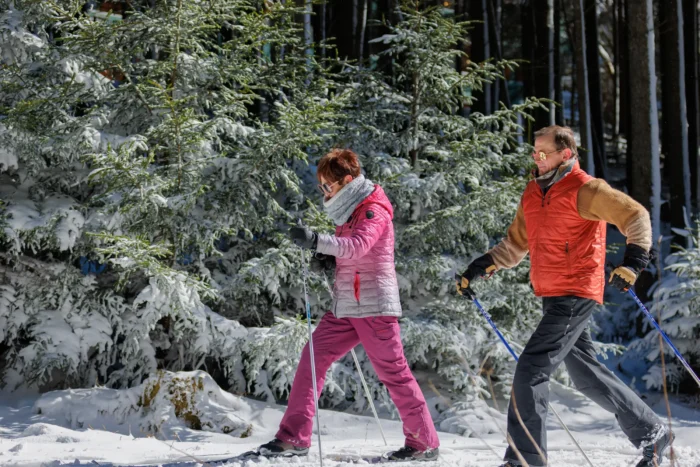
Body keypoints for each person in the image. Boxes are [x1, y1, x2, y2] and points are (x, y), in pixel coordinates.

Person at [456, 126, 673, 467]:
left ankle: (524, 459)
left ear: (566, 154)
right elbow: (515, 244)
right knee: (586, 375)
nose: (536, 158)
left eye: (543, 152)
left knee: (530, 371)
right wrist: (480, 266)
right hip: (552, 293)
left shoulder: (586, 189)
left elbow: (636, 216)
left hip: (575, 293)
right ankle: (652, 433)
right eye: (534, 152)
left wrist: (634, 262)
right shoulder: (533, 192)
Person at [257, 149, 440, 461]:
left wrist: (317, 241)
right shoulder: (348, 210)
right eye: (322, 187)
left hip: (374, 307)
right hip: (347, 306)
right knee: (312, 358)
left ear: (348, 180)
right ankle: (293, 438)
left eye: (329, 185)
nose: (326, 192)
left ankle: (424, 443)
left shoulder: (372, 210)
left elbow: (358, 247)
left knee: (394, 373)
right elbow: (349, 254)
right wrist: (327, 259)